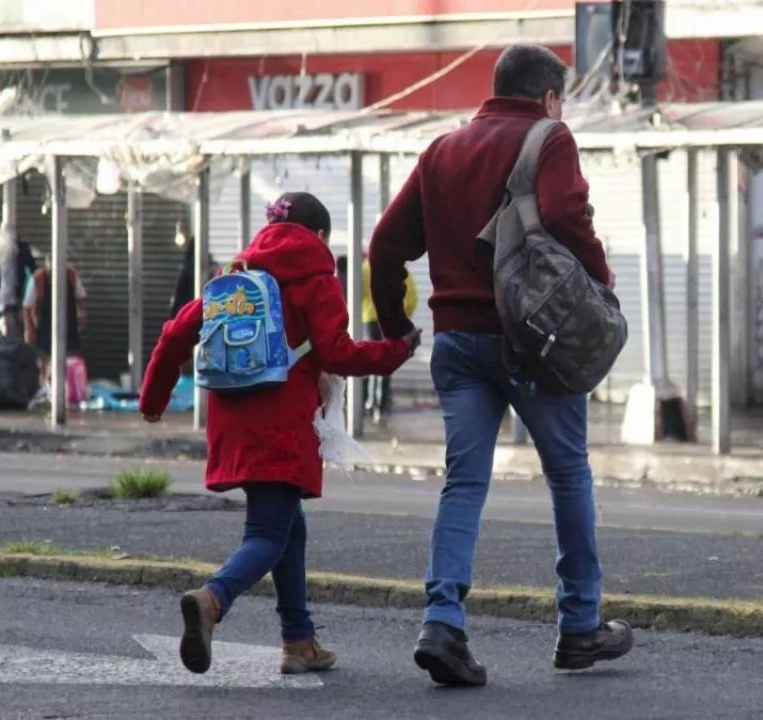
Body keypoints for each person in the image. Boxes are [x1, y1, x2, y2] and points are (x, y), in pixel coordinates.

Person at [368, 43, 629, 688]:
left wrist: (397, 325)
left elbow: (385, 244)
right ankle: (579, 627)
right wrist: (599, 280)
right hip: (532, 340)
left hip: (458, 343)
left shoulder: (441, 149)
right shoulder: (550, 136)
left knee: (464, 482)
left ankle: (443, 621)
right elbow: (567, 212)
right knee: (568, 474)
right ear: (548, 97)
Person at [138, 192, 420, 676]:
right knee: (268, 533)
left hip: (233, 418)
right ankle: (212, 599)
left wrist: (152, 401)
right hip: (284, 422)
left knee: (290, 525)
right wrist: (396, 350)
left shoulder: (235, 277)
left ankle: (299, 642)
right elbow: (337, 354)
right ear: (321, 236)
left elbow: (173, 335)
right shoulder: (316, 278)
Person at [362, 253, 418, 419]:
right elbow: (412, 298)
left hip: (369, 319)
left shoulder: (364, 267)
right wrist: (403, 317)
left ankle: (369, 401)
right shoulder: (397, 268)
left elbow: (354, 292)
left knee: (372, 358)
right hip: (389, 319)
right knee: (387, 358)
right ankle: (381, 404)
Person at [22, 251, 88, 382]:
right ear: (48, 266)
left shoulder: (71, 275)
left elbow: (81, 297)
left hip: (68, 326)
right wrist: (29, 329)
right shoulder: (38, 278)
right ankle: (46, 390)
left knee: (69, 362)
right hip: (45, 326)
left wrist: (81, 315)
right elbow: (27, 306)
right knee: (45, 364)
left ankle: (67, 389)